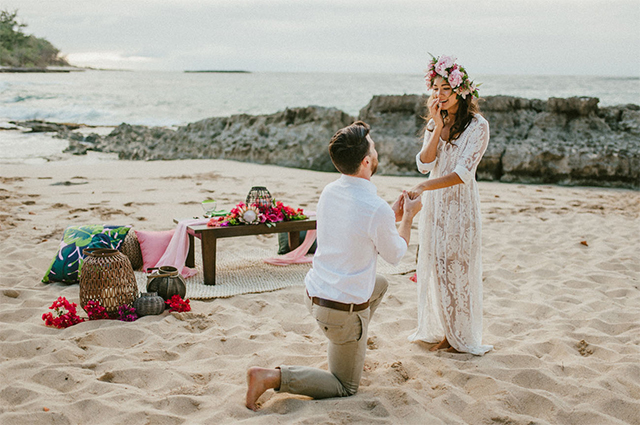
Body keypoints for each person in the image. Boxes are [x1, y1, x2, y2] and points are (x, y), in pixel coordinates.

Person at [246, 121, 422, 410]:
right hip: (338, 312)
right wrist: (408, 218)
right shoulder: (374, 207)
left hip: (314, 295)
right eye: (374, 148)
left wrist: (390, 214)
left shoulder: (331, 191)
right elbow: (395, 254)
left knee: (380, 285)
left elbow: (357, 226)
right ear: (366, 161)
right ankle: (270, 377)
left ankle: (352, 343)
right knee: (345, 386)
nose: (376, 152)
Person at [407, 55, 493, 355]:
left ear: (462, 91)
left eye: (446, 89)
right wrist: (437, 124)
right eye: (435, 89)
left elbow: (462, 175)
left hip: (460, 206)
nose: (440, 95)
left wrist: (422, 187)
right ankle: (446, 332)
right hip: (435, 207)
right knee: (437, 268)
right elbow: (424, 163)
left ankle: (460, 336)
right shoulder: (437, 122)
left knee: (458, 269)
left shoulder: (478, 126)